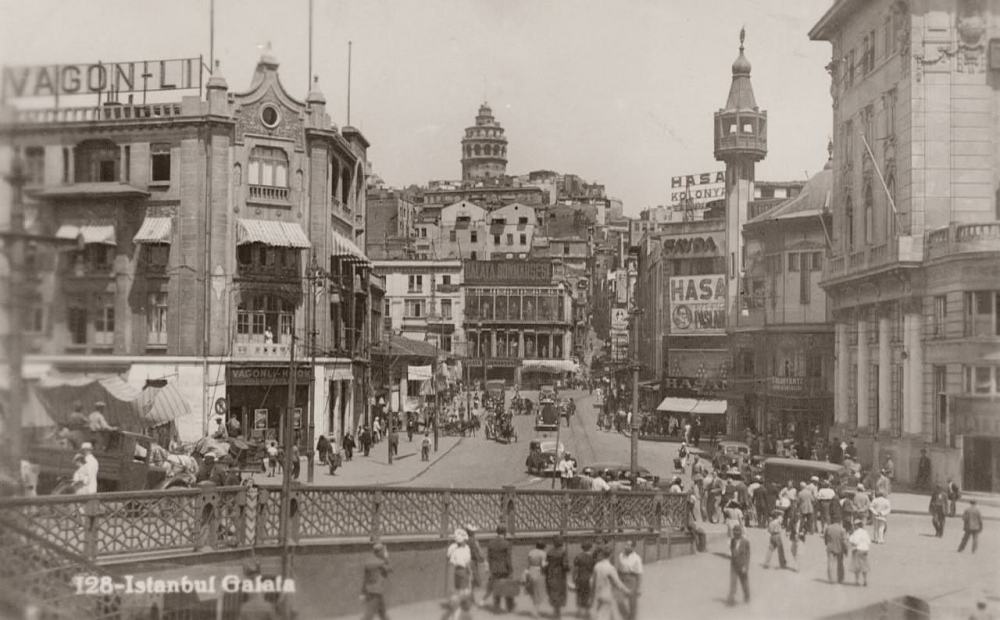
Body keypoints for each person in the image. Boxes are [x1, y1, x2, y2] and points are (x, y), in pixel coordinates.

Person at [590, 546, 631, 620]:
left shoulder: (597, 566)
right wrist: (627, 591)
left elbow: (592, 581)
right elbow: (618, 583)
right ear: (610, 555)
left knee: (605, 614)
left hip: (598, 594)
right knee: (603, 616)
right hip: (607, 595)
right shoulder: (610, 568)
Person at [446, 529, 474, 620]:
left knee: (459, 591)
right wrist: (470, 573)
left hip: (455, 571)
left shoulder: (452, 547)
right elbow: (467, 562)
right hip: (462, 571)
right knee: (464, 592)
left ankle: (456, 612)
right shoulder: (466, 549)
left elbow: (448, 557)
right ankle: (456, 611)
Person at [486, 525, 515, 613]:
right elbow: (508, 559)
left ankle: (497, 607)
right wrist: (510, 570)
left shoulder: (491, 543)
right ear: (505, 533)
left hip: (494, 569)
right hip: (504, 569)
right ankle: (509, 607)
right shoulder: (506, 544)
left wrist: (491, 568)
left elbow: (489, 557)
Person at [360, 542, 391, 620]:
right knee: (368, 616)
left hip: (370, 592)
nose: (384, 552)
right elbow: (390, 569)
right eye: (383, 551)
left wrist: (362, 593)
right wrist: (387, 557)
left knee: (383, 615)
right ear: (380, 553)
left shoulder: (368, 562)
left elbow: (365, 579)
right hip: (376, 593)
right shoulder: (380, 563)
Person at [616, 540, 642, 620]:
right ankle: (626, 617)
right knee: (619, 600)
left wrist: (638, 588)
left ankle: (632, 618)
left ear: (633, 547)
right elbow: (618, 569)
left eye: (628, 545)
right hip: (621, 578)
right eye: (626, 544)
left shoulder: (636, 558)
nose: (626, 546)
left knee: (632, 602)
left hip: (632, 578)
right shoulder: (621, 555)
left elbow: (639, 574)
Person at [545, 537, 570, 619]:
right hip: (560, 574)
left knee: (553, 591)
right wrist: (568, 568)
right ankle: (557, 611)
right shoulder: (563, 552)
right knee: (560, 591)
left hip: (551, 573)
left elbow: (547, 563)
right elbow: (565, 565)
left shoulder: (549, 552)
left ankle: (555, 610)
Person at [727, 523, 751, 606]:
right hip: (734, 565)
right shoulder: (732, 541)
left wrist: (746, 566)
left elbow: (748, 555)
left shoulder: (746, 542)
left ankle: (747, 596)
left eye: (737, 532)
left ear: (741, 533)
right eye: (734, 532)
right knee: (733, 582)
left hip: (742, 565)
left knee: (744, 583)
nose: (735, 534)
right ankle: (731, 600)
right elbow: (732, 550)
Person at [572, 542, 596, 619]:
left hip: (580, 578)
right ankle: (587, 613)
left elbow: (575, 569)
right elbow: (594, 570)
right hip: (589, 578)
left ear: (582, 548)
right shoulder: (592, 557)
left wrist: (573, 579)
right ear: (590, 548)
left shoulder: (578, 557)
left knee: (579, 595)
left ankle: (579, 612)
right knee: (587, 595)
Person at [525, 541, 547, 619]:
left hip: (531, 571)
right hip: (538, 572)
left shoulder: (531, 552)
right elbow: (543, 565)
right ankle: (536, 612)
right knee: (538, 592)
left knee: (532, 592)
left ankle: (534, 609)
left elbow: (528, 564)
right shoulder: (543, 553)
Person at [824, 519, 850, 584]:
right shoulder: (842, 529)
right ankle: (840, 578)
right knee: (840, 563)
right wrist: (846, 549)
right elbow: (844, 541)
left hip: (830, 547)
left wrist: (827, 544)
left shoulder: (828, 528)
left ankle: (831, 578)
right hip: (839, 548)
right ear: (840, 521)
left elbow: (825, 538)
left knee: (830, 563)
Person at [848, 519, 871, 586]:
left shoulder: (856, 532)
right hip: (865, 550)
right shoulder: (865, 532)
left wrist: (851, 537)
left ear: (857, 526)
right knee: (864, 566)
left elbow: (855, 542)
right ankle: (865, 580)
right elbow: (869, 542)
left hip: (858, 550)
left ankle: (857, 581)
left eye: (854, 525)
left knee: (857, 567)